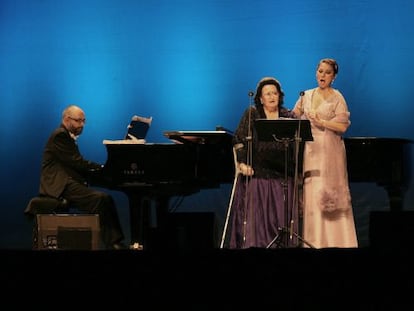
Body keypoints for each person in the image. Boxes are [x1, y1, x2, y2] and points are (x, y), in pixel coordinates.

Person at [39, 105, 127, 250]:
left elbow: (76, 162)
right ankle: (113, 244)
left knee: (105, 199)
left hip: (68, 182)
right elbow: (77, 162)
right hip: (59, 186)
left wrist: (102, 170)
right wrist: (103, 168)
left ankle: (114, 242)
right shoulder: (60, 135)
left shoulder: (66, 136)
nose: (82, 125)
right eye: (78, 121)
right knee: (101, 199)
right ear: (67, 119)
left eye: (84, 121)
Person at [292, 58, 358, 248]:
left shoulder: (337, 97)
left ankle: (340, 242)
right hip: (310, 151)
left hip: (330, 153)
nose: (323, 75)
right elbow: (293, 116)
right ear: (316, 73)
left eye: (327, 72)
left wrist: (322, 122)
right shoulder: (306, 95)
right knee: (312, 191)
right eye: (320, 71)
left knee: (329, 193)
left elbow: (343, 126)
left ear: (334, 77)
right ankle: (314, 242)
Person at [227, 77, 298, 249]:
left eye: (275, 93)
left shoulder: (289, 116)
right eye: (268, 94)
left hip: (282, 174)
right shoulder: (252, 114)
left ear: (280, 96)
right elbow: (239, 140)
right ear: (260, 98)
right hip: (257, 173)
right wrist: (242, 164)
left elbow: (298, 146)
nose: (272, 96)